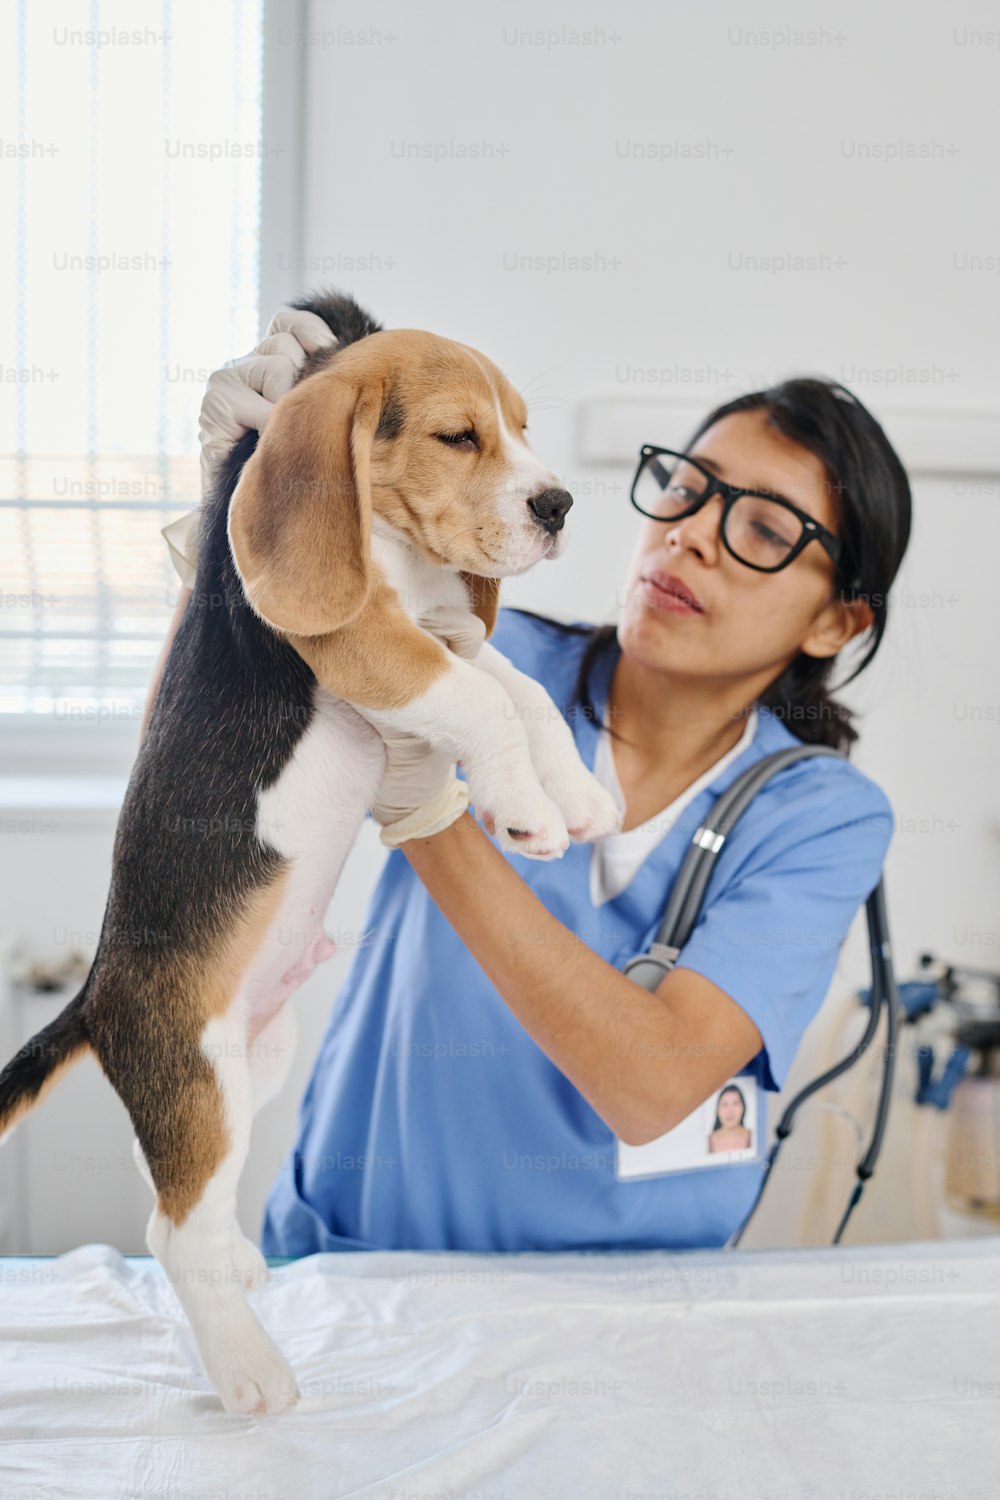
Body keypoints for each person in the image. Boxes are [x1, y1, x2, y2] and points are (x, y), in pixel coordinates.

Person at [149, 309, 910, 1255]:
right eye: (685, 487)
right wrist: (243, 497)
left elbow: (652, 1087)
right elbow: (199, 755)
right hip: (359, 1273)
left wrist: (428, 794)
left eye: (760, 527)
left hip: (618, 1318)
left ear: (836, 625)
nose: (690, 536)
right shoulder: (491, 654)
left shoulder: (821, 816)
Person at [708, 1085, 752, 1154]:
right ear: (717, 1110)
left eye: (735, 1103)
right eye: (725, 1105)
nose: (730, 1110)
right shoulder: (708, 1141)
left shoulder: (753, 1136)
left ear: (743, 1107)